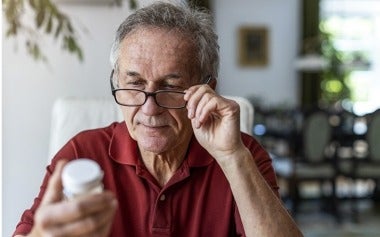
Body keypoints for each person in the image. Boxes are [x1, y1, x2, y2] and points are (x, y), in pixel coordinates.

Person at [13, 2, 303, 236]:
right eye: (135, 84)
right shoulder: (81, 153)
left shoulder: (244, 155)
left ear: (207, 89)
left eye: (171, 87)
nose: (149, 109)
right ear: (116, 81)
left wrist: (232, 157)